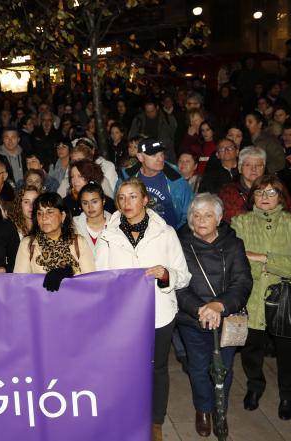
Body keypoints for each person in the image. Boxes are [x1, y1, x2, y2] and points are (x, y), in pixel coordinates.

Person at [95, 177, 191, 440]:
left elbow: (183, 275)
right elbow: (99, 276)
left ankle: (155, 420)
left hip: (159, 312)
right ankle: (126, 414)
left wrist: (165, 274)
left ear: (145, 199)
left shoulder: (166, 232)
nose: (127, 203)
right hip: (121, 317)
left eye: (133, 196)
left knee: (157, 367)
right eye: (122, 198)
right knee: (123, 366)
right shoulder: (108, 234)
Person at [230, 175, 291, 420]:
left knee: (289, 352)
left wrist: (264, 259)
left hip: (285, 299)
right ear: (252, 196)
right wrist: (266, 264)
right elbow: (236, 260)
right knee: (251, 349)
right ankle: (255, 386)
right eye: (260, 192)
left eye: (271, 192)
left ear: (281, 197)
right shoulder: (239, 222)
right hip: (251, 297)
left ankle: (288, 395)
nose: (265, 198)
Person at [175, 193, 252, 437]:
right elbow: (177, 285)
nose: (201, 220)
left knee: (223, 369)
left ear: (219, 218)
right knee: (198, 367)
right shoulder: (179, 244)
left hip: (225, 317)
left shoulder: (233, 244)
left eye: (208, 215)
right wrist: (200, 309)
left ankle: (221, 410)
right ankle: (204, 410)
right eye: (196, 215)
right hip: (193, 317)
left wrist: (219, 305)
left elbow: (242, 282)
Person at [13, 192, 95, 289]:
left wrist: (68, 272)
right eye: (40, 213)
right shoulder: (28, 244)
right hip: (41, 302)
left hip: (75, 301)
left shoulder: (78, 242)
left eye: (50, 212)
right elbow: (19, 284)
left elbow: (91, 282)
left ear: (63, 216)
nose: (44, 217)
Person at [120, 138, 193, 229]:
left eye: (161, 154)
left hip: (168, 236)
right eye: (154, 155)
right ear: (140, 157)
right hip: (136, 234)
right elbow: (120, 206)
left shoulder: (176, 179)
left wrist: (178, 233)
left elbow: (189, 211)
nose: (160, 159)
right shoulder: (126, 178)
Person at [73, 182, 110, 256]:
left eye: (94, 202)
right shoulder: (74, 226)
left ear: (103, 201)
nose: (90, 207)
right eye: (85, 203)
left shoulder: (115, 224)